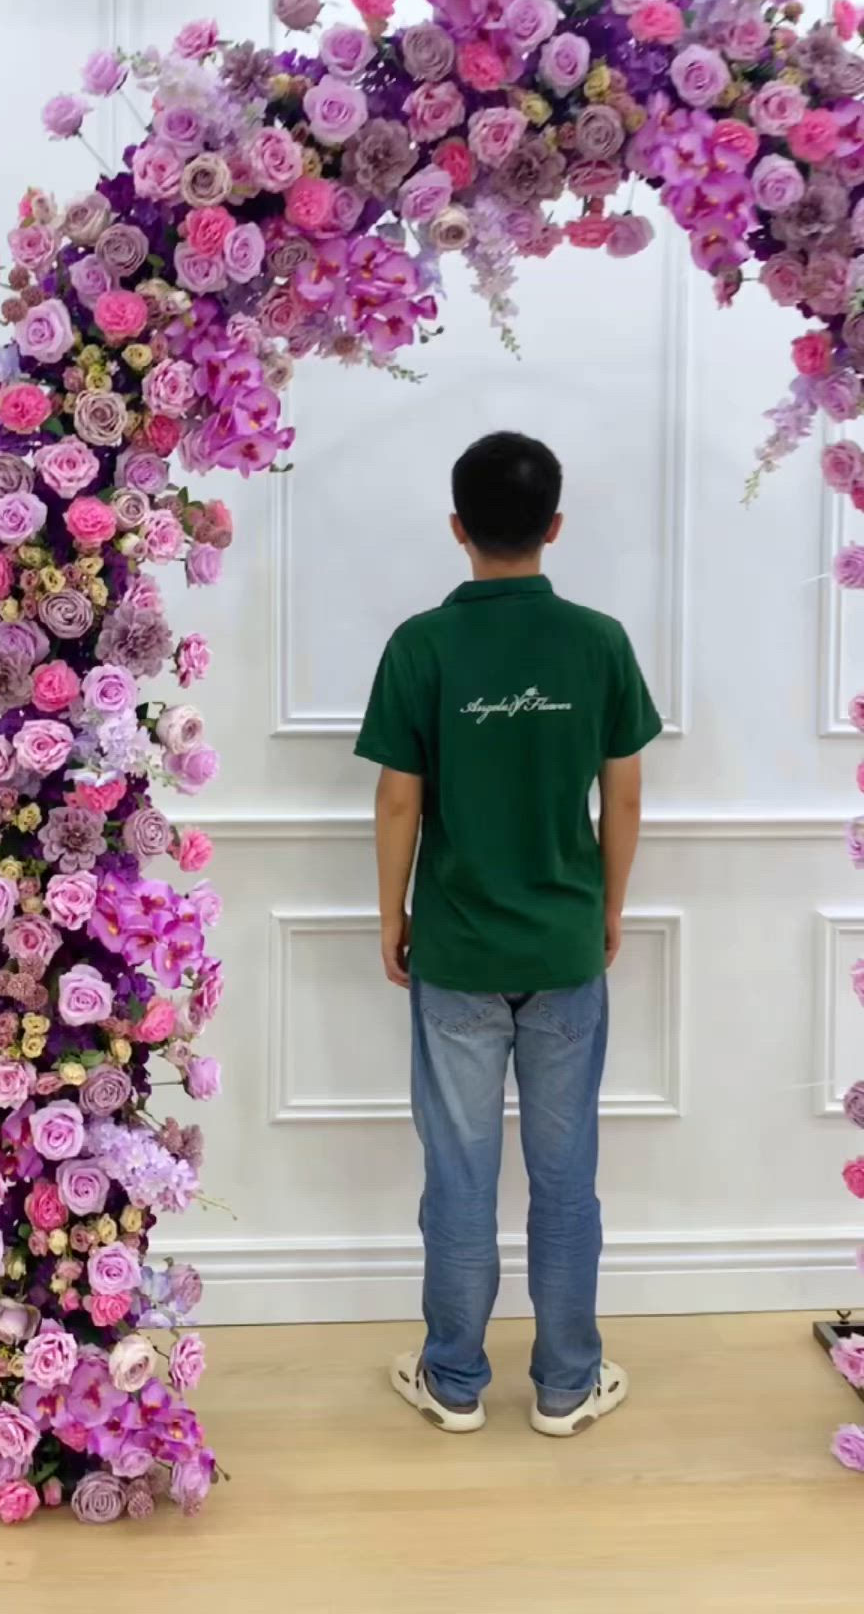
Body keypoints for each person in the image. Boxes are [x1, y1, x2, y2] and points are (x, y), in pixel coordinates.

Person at [354, 431, 661, 1438]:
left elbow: (399, 803)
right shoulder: (600, 642)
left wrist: (392, 913)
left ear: (458, 530)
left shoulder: (421, 646)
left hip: (457, 954)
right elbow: (623, 797)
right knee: (568, 1183)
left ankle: (453, 1382)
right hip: (566, 948)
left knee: (460, 1179)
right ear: (555, 527)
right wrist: (607, 907)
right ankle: (567, 1386)